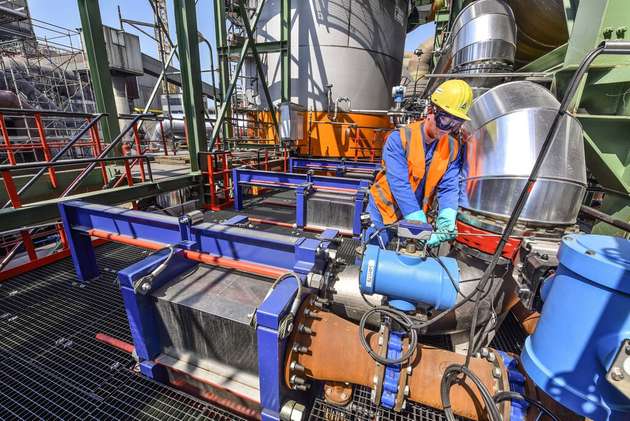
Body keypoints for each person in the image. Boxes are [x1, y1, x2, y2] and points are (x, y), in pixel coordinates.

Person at [365, 79, 473, 247]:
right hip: (384, 211)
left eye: (456, 123)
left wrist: (447, 215)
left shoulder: (453, 148)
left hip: (417, 216)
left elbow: (449, 186)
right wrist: (417, 220)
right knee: (374, 259)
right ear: (431, 111)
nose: (447, 128)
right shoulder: (400, 138)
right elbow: (399, 183)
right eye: (445, 119)